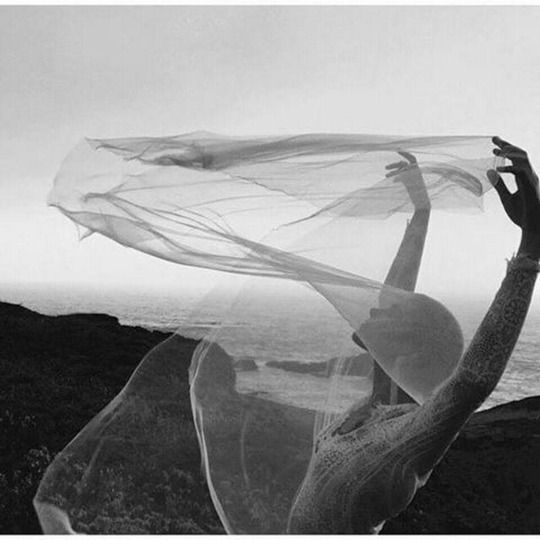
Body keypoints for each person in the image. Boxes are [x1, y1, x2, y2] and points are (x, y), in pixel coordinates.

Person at [287, 136, 540, 534]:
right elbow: (396, 295)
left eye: (391, 314)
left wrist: (532, 246)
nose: (376, 305)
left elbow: (472, 381)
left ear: (409, 348)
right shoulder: (374, 408)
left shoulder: (405, 441)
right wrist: (422, 211)